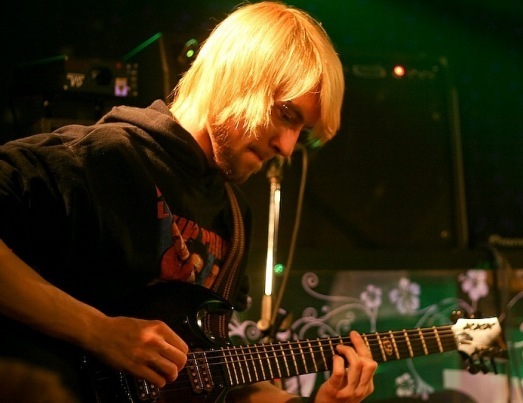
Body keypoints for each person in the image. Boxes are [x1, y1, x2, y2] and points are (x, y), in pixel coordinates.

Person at [0, 1, 377, 402]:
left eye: (301, 131)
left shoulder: (234, 214)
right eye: (286, 113)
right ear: (237, 77)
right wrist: (97, 331)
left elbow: (207, 375)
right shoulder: (105, 158)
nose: (287, 147)